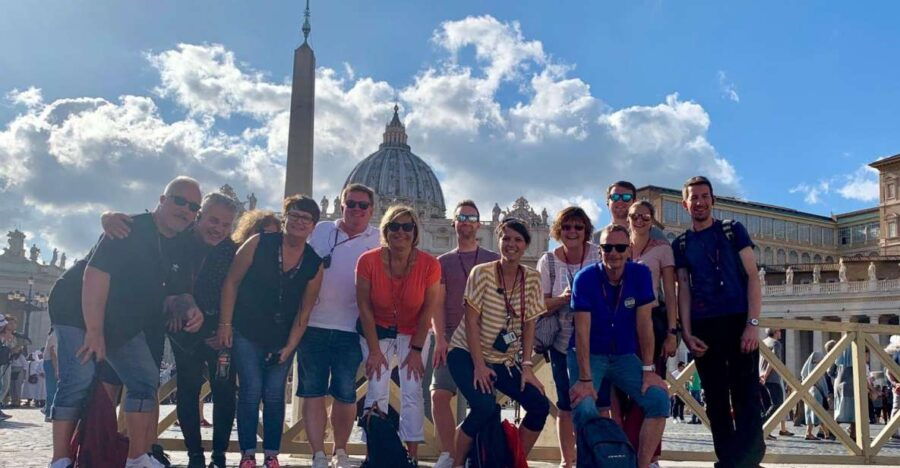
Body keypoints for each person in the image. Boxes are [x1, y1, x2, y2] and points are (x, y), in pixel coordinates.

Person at [48, 176, 203, 468]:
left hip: (121, 316)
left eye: (193, 206)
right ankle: (60, 460)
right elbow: (94, 276)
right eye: (179, 200)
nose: (186, 209)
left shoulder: (182, 243)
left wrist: (191, 308)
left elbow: (174, 293)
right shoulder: (128, 228)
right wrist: (94, 332)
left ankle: (137, 457)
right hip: (76, 308)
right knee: (78, 377)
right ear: (162, 199)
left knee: (144, 378)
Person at [218, 195, 324, 468]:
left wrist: (290, 346)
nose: (300, 222)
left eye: (307, 219)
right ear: (285, 217)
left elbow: (304, 311)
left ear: (313, 226)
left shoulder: (314, 262)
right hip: (246, 329)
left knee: (275, 393)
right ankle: (248, 454)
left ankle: (272, 454)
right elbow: (231, 282)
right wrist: (225, 325)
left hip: (283, 336)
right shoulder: (258, 243)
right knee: (251, 390)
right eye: (296, 216)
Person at [674, 175, 765, 467]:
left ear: (712, 199)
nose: (699, 202)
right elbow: (683, 289)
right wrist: (687, 333)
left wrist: (752, 323)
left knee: (746, 395)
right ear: (685, 204)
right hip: (704, 326)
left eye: (704, 196)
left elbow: (753, 276)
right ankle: (727, 460)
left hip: (738, 320)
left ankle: (747, 461)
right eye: (694, 198)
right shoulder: (682, 243)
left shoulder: (732, 230)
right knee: (714, 399)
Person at [446, 217, 550, 467]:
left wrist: (526, 366)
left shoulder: (532, 279)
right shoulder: (481, 273)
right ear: (497, 239)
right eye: (506, 238)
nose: (511, 244)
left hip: (503, 358)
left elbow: (529, 325)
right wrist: (479, 366)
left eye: (518, 239)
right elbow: (471, 322)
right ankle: (457, 463)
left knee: (538, 405)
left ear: (526, 244)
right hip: (465, 352)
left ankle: (513, 460)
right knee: (483, 407)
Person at [568, 224, 669, 468]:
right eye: (607, 247)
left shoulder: (640, 275)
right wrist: (584, 379)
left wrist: (648, 370)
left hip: (623, 355)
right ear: (599, 250)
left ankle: (642, 465)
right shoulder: (585, 278)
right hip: (589, 353)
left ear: (629, 249)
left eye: (620, 247)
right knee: (585, 406)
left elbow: (645, 325)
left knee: (659, 400)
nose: (613, 252)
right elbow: (582, 332)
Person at [301, 184, 380, 468]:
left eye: (362, 205)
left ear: (372, 210)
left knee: (346, 393)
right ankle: (317, 454)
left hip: (352, 328)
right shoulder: (320, 230)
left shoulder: (380, 239)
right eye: (351, 204)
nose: (356, 210)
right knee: (313, 391)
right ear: (341, 204)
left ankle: (341, 451)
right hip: (313, 325)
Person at [357, 205, 442, 464]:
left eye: (407, 227)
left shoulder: (429, 264)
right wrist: (373, 350)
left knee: (413, 390)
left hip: (414, 331)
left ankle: (411, 457)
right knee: (376, 387)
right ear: (385, 229)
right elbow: (363, 305)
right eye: (395, 226)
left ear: (415, 231)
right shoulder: (368, 260)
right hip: (376, 329)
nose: (400, 232)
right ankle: (375, 453)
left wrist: (416, 350)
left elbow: (428, 308)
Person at [431, 200, 499, 468]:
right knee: (439, 394)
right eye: (462, 217)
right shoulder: (443, 261)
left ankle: (472, 450)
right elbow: (437, 302)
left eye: (472, 217)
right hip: (451, 337)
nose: (467, 222)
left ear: (480, 224)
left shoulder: (493, 259)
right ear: (454, 222)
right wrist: (439, 337)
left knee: (484, 402)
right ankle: (448, 453)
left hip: (485, 341)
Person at [535, 206, 597, 468]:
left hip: (596, 342)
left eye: (578, 227)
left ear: (586, 231)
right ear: (559, 230)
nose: (572, 231)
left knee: (597, 401)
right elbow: (538, 305)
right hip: (561, 342)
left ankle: (592, 456)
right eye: (567, 227)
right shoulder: (548, 261)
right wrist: (565, 298)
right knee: (565, 403)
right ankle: (567, 460)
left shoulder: (598, 253)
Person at [760, 328, 793, 439]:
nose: (781, 332)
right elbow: (773, 360)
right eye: (779, 331)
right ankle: (761, 427)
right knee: (777, 404)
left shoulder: (764, 342)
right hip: (772, 378)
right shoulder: (776, 343)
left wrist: (761, 374)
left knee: (767, 405)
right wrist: (766, 374)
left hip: (761, 378)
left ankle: (765, 431)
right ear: (774, 332)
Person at [885, 335, 900, 439]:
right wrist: (895, 383)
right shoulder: (897, 355)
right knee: (896, 408)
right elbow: (888, 372)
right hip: (898, 387)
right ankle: (892, 431)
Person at [43, 328, 59, 422]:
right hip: (51, 362)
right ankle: (49, 413)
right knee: (52, 389)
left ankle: (48, 410)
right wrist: (56, 369)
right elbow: (53, 352)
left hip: (52, 362)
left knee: (53, 389)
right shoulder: (56, 334)